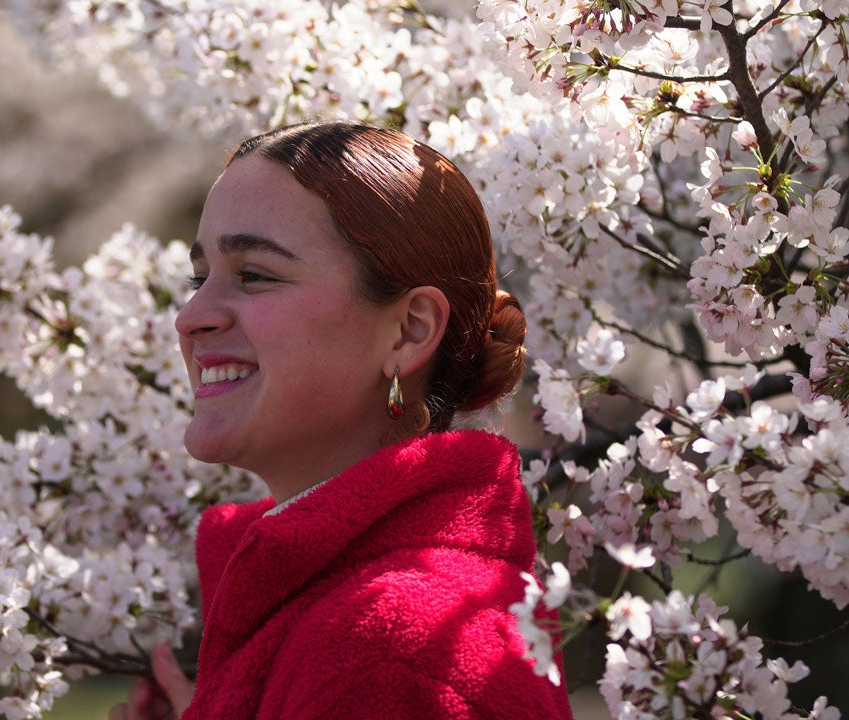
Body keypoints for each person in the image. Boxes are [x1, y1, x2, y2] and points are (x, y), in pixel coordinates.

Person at [109, 121, 573, 720]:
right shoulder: (357, 617)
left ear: (409, 331)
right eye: (201, 278)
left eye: (254, 274)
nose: (190, 316)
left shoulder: (389, 648)